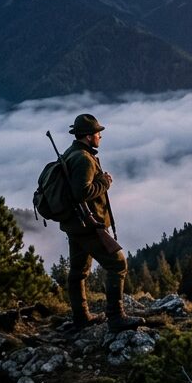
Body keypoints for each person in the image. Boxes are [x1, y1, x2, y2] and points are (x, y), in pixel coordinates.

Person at [61, 113, 141, 332]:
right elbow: (82, 193)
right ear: (88, 136)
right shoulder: (84, 159)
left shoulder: (72, 153)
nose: (100, 137)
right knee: (118, 264)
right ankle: (116, 318)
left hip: (75, 225)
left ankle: (81, 317)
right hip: (89, 224)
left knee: (78, 272)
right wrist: (104, 182)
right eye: (98, 133)